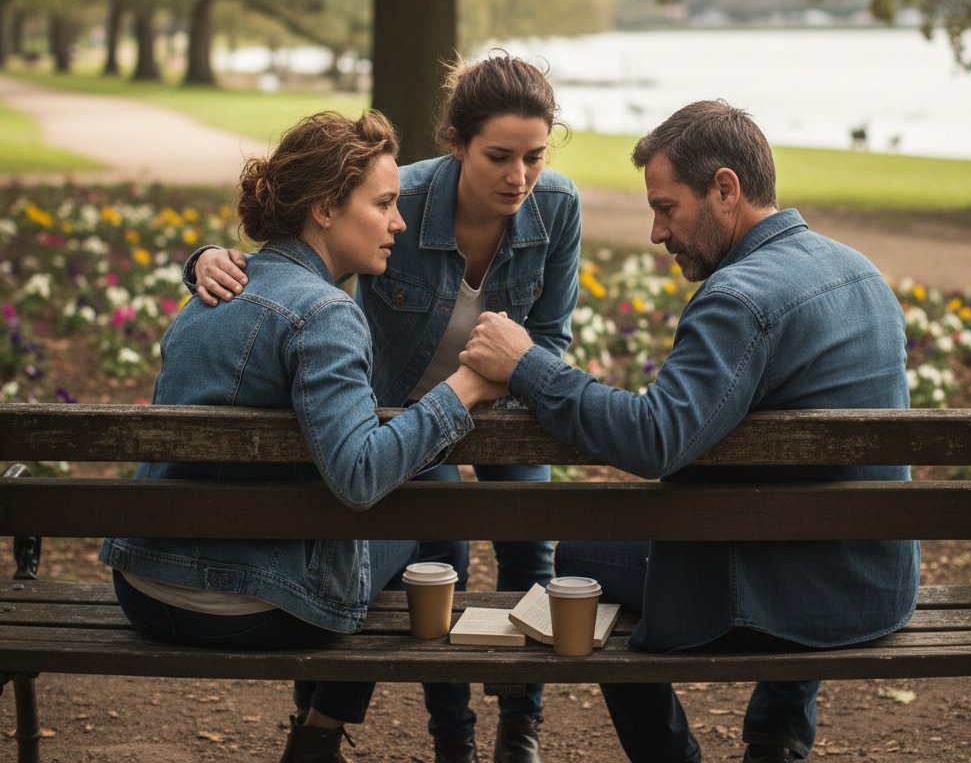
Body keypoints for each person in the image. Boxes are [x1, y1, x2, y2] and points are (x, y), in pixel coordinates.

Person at [459, 99, 919, 763]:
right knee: (806, 507)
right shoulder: (858, 271)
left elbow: (653, 438)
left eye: (666, 207)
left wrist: (525, 365)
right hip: (876, 585)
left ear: (725, 189)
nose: (655, 232)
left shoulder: (739, 299)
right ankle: (775, 737)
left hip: (794, 593)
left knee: (584, 559)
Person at [188, 52, 582, 763]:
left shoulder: (557, 207)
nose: (519, 177)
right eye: (499, 155)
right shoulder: (398, 201)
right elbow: (293, 251)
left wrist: (503, 380)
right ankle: (452, 732)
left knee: (531, 542)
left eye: (535, 156)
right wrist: (206, 257)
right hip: (398, 415)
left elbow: (549, 336)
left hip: (502, 406)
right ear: (456, 143)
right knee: (439, 551)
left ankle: (519, 722)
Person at [100, 110, 502, 763]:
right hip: (242, 607)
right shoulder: (327, 315)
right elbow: (359, 476)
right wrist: (464, 390)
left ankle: (339, 730)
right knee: (429, 493)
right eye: (384, 203)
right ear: (323, 209)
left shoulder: (210, 290)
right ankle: (355, 731)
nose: (398, 222)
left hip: (144, 587)